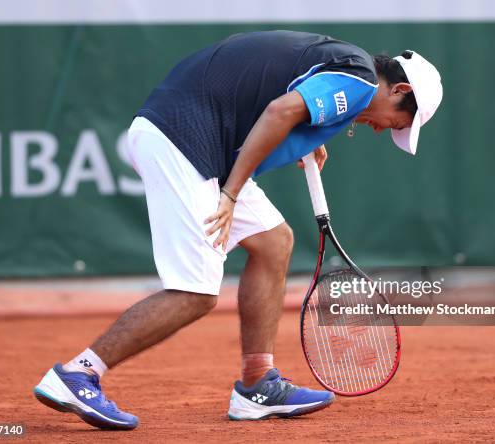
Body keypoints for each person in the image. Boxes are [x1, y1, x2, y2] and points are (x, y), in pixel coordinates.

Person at [33, 30, 442, 429]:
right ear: (398, 89)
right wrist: (229, 194)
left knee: (274, 242)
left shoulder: (348, 63)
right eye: (399, 122)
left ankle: (256, 386)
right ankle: (79, 373)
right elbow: (279, 111)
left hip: (196, 136)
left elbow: (277, 87)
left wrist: (308, 132)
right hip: (184, 141)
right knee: (194, 293)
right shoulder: (359, 79)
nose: (386, 129)